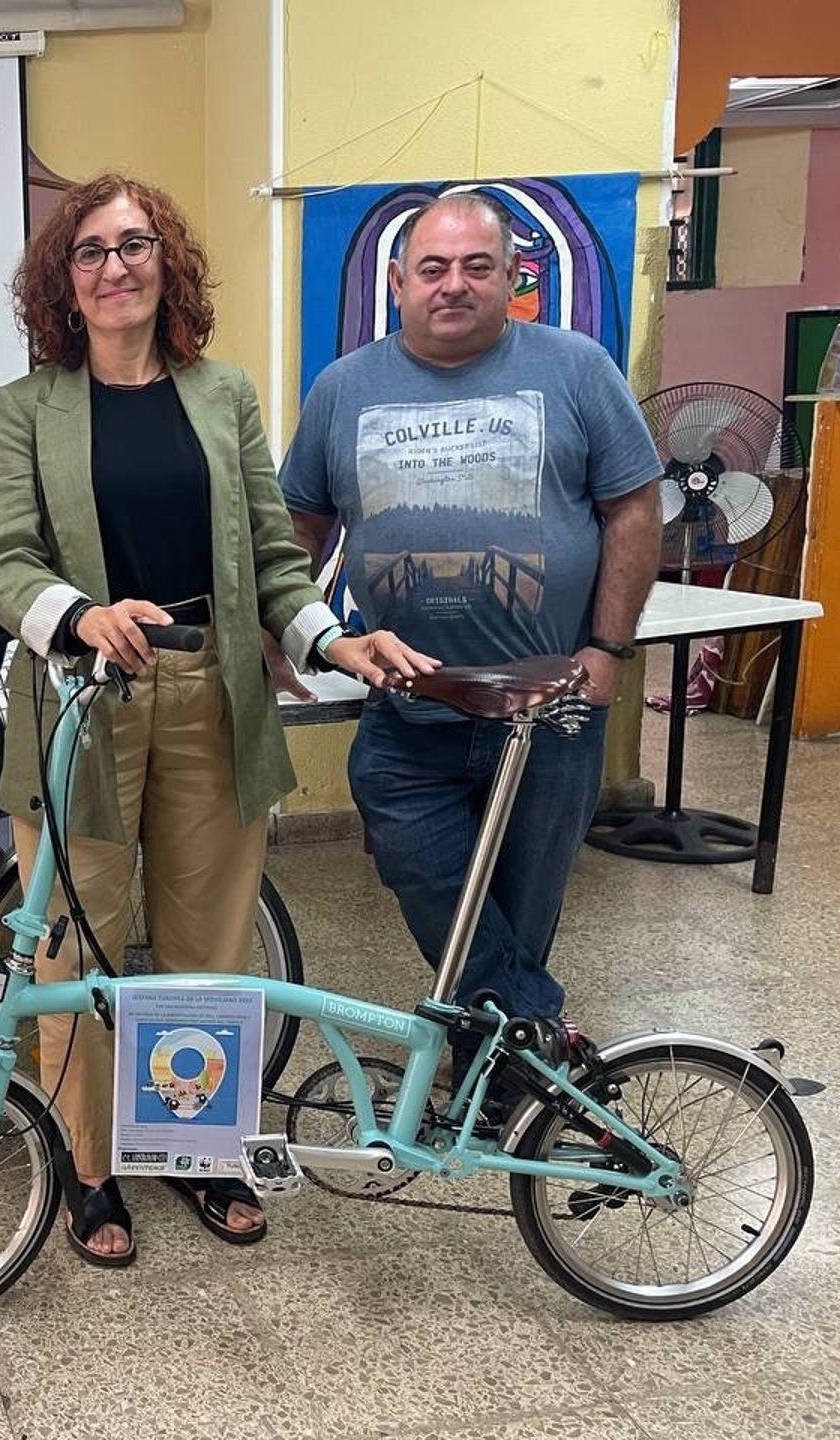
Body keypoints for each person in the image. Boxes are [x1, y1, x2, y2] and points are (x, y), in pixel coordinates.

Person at [0, 173, 431, 1266]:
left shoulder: (223, 395)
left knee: (207, 948)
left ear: (164, 263)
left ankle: (196, 1150)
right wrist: (81, 615)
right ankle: (87, 1170)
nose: (115, 265)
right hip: (80, 705)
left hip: (212, 697)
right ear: (62, 281)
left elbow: (276, 559)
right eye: (90, 250)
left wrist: (331, 639)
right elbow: (3, 561)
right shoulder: (22, 410)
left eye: (134, 244)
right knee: (71, 951)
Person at [279, 193, 662, 1085]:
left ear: (511, 278)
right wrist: (290, 639)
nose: (454, 285)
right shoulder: (344, 388)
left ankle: (492, 1071)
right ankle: (538, 1035)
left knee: (525, 903)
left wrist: (608, 646)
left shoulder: (577, 369)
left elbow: (632, 505)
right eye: (435, 268)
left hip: (549, 704)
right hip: (410, 704)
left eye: (476, 266)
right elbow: (298, 526)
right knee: (425, 872)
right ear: (399, 280)